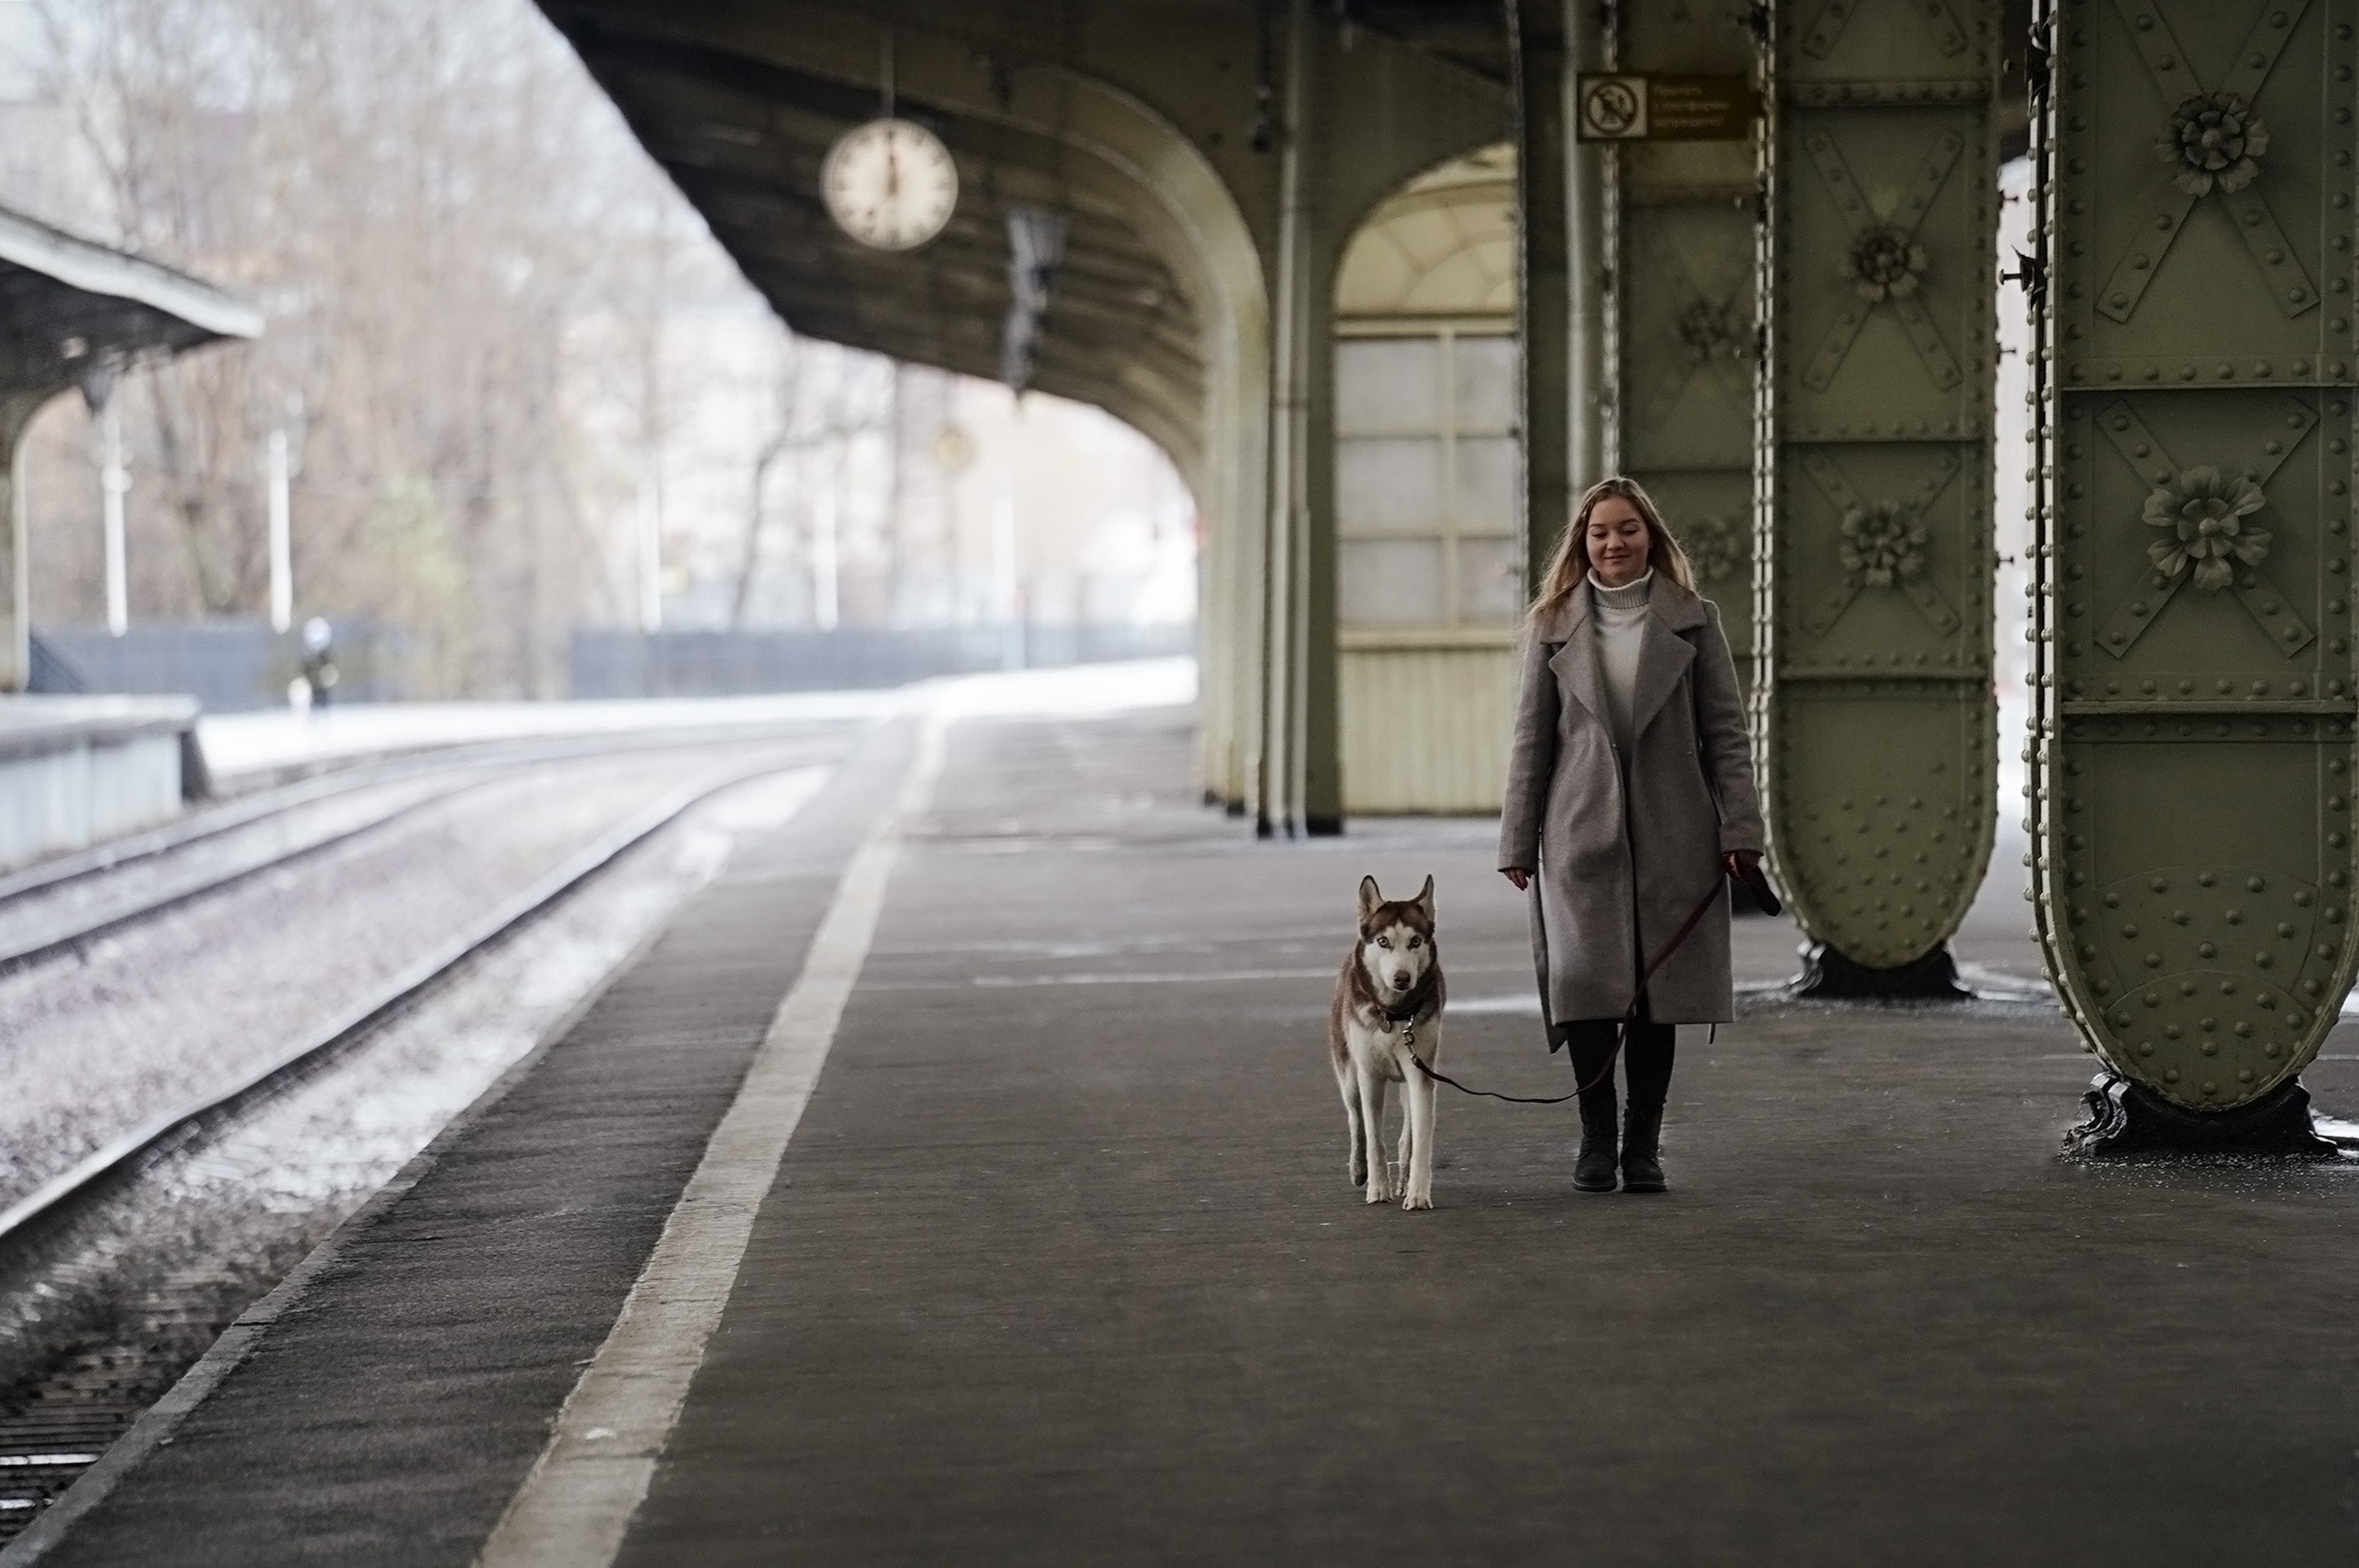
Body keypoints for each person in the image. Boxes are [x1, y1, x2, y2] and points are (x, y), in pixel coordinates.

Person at [1497, 476, 1765, 1195]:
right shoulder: (1553, 624)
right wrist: (1517, 840)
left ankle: (1643, 1145)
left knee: (1657, 992)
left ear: (1652, 538)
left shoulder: (1695, 621)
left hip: (1676, 829)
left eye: (1627, 530)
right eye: (1599, 533)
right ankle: (1594, 1141)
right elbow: (1530, 743)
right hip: (1579, 830)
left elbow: (1726, 736)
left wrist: (1742, 828)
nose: (1613, 544)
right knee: (1585, 987)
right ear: (1582, 545)